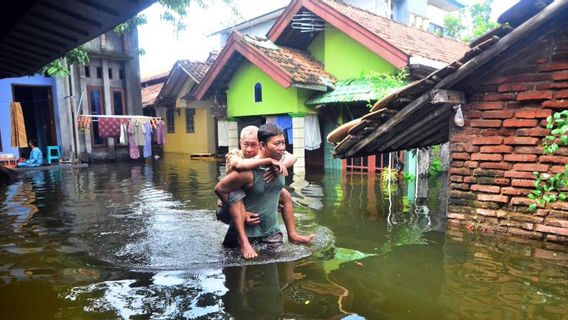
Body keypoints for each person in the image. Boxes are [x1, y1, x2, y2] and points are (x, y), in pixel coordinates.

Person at [215, 123, 314, 259]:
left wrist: (279, 167)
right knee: (236, 195)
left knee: (284, 193)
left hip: (267, 222)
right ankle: (244, 242)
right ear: (263, 145)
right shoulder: (238, 159)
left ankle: (293, 234)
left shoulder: (276, 159)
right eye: (246, 144)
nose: (249, 149)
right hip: (227, 205)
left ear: (259, 144)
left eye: (253, 145)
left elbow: (292, 157)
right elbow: (232, 172)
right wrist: (268, 160)